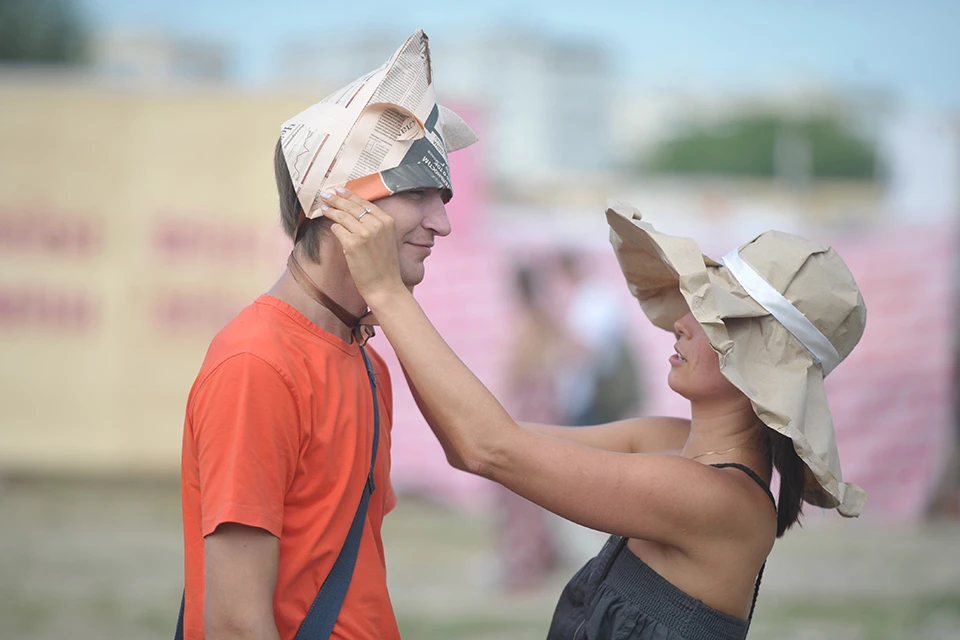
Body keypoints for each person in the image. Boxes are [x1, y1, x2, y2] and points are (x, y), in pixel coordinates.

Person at [320, 195, 868, 639]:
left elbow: (488, 448)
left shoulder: (716, 499)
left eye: (710, 314)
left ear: (758, 359)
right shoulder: (668, 442)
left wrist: (388, 294)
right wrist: (372, 317)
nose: (680, 321)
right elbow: (468, 443)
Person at [177, 30, 477, 640]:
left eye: (441, 197)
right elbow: (236, 622)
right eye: (417, 194)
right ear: (339, 204)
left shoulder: (367, 361)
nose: (441, 223)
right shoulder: (257, 363)